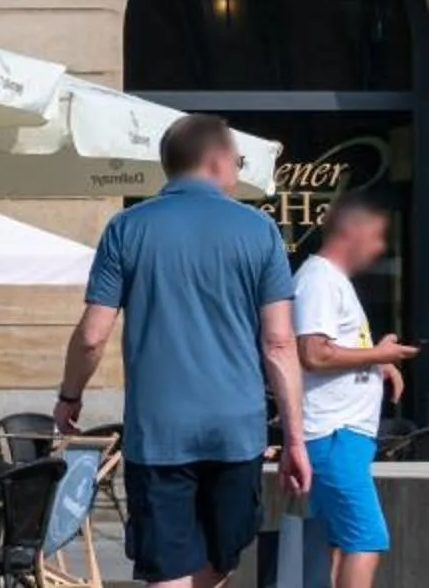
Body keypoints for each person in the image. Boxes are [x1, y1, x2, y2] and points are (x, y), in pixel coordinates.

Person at [57, 112, 308, 588]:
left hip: (159, 432)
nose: (237, 171)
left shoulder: (126, 228)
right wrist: (295, 439)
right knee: (219, 562)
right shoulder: (260, 231)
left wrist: (70, 396)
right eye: (238, 162)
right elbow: (278, 343)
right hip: (236, 432)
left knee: (169, 569)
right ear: (216, 161)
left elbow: (92, 336)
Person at [294, 190, 415, 588]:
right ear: (352, 231)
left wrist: (377, 360)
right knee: (366, 538)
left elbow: (330, 350)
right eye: (377, 236)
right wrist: (378, 354)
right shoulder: (319, 280)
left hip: (341, 436)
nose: (380, 247)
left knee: (335, 540)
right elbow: (314, 353)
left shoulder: (331, 281)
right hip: (334, 434)